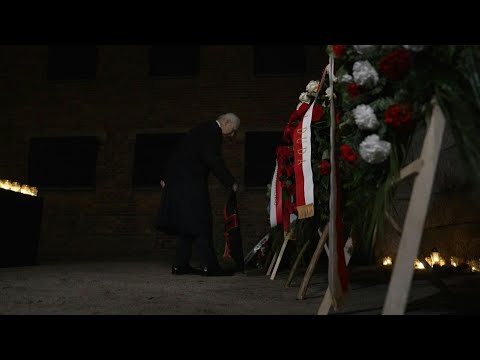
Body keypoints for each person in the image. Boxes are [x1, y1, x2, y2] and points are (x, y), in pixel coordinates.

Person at [155, 113, 240, 276]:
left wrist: (166, 177)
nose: (233, 135)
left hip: (178, 182)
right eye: (233, 130)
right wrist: (230, 182)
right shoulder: (212, 132)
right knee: (202, 221)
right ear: (226, 122)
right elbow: (213, 159)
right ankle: (210, 266)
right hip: (190, 183)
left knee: (186, 223)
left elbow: (178, 152)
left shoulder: (200, 129)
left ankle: (180, 265)